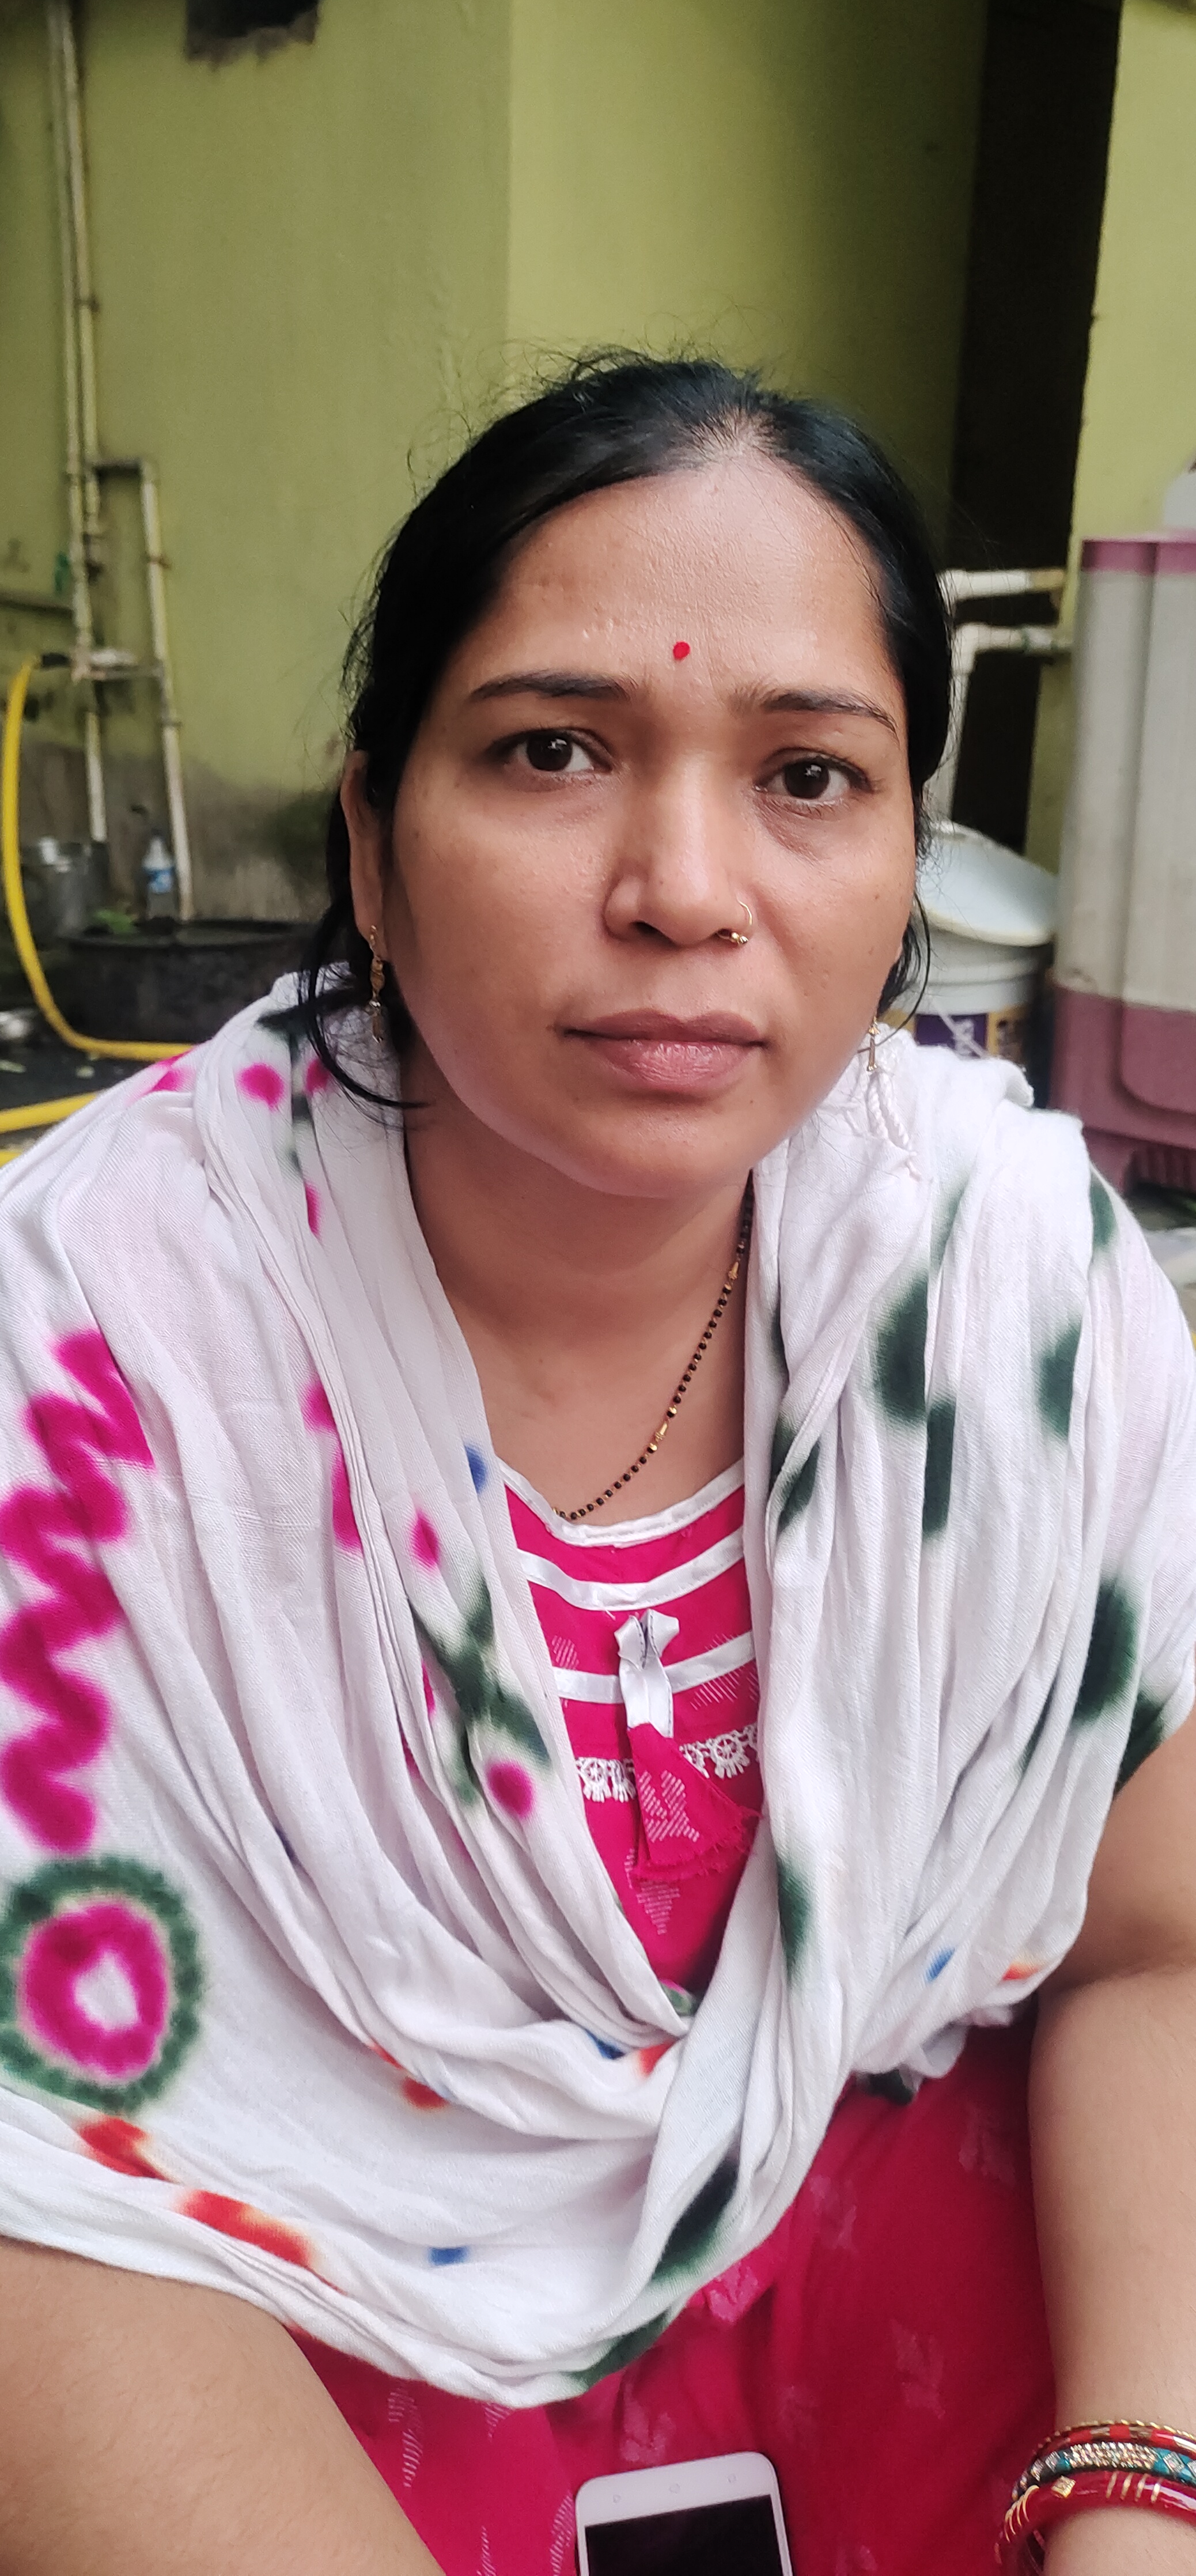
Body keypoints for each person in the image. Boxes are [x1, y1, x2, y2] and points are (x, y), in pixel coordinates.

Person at [0, 357, 1194, 2576]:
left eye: (806, 775)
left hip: (963, 2432)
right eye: (553, 750)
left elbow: (1156, 1951)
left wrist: (1138, 2506)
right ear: (371, 839)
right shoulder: (98, 1362)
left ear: (904, 865)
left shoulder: (1012, 1302)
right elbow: (34, 2167)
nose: (683, 889)